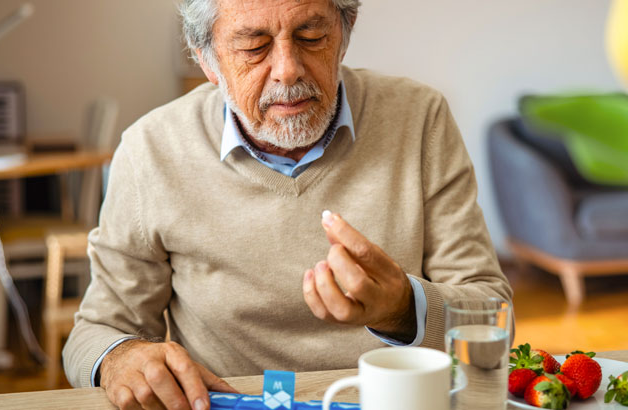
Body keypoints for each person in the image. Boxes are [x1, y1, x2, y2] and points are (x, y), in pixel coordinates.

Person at [63, 0, 513, 409]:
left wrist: (401, 307)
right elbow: (94, 333)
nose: (288, 69)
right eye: (254, 47)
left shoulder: (420, 118)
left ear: (345, 32)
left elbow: (495, 318)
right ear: (208, 60)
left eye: (311, 37)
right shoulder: (151, 149)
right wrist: (121, 356)